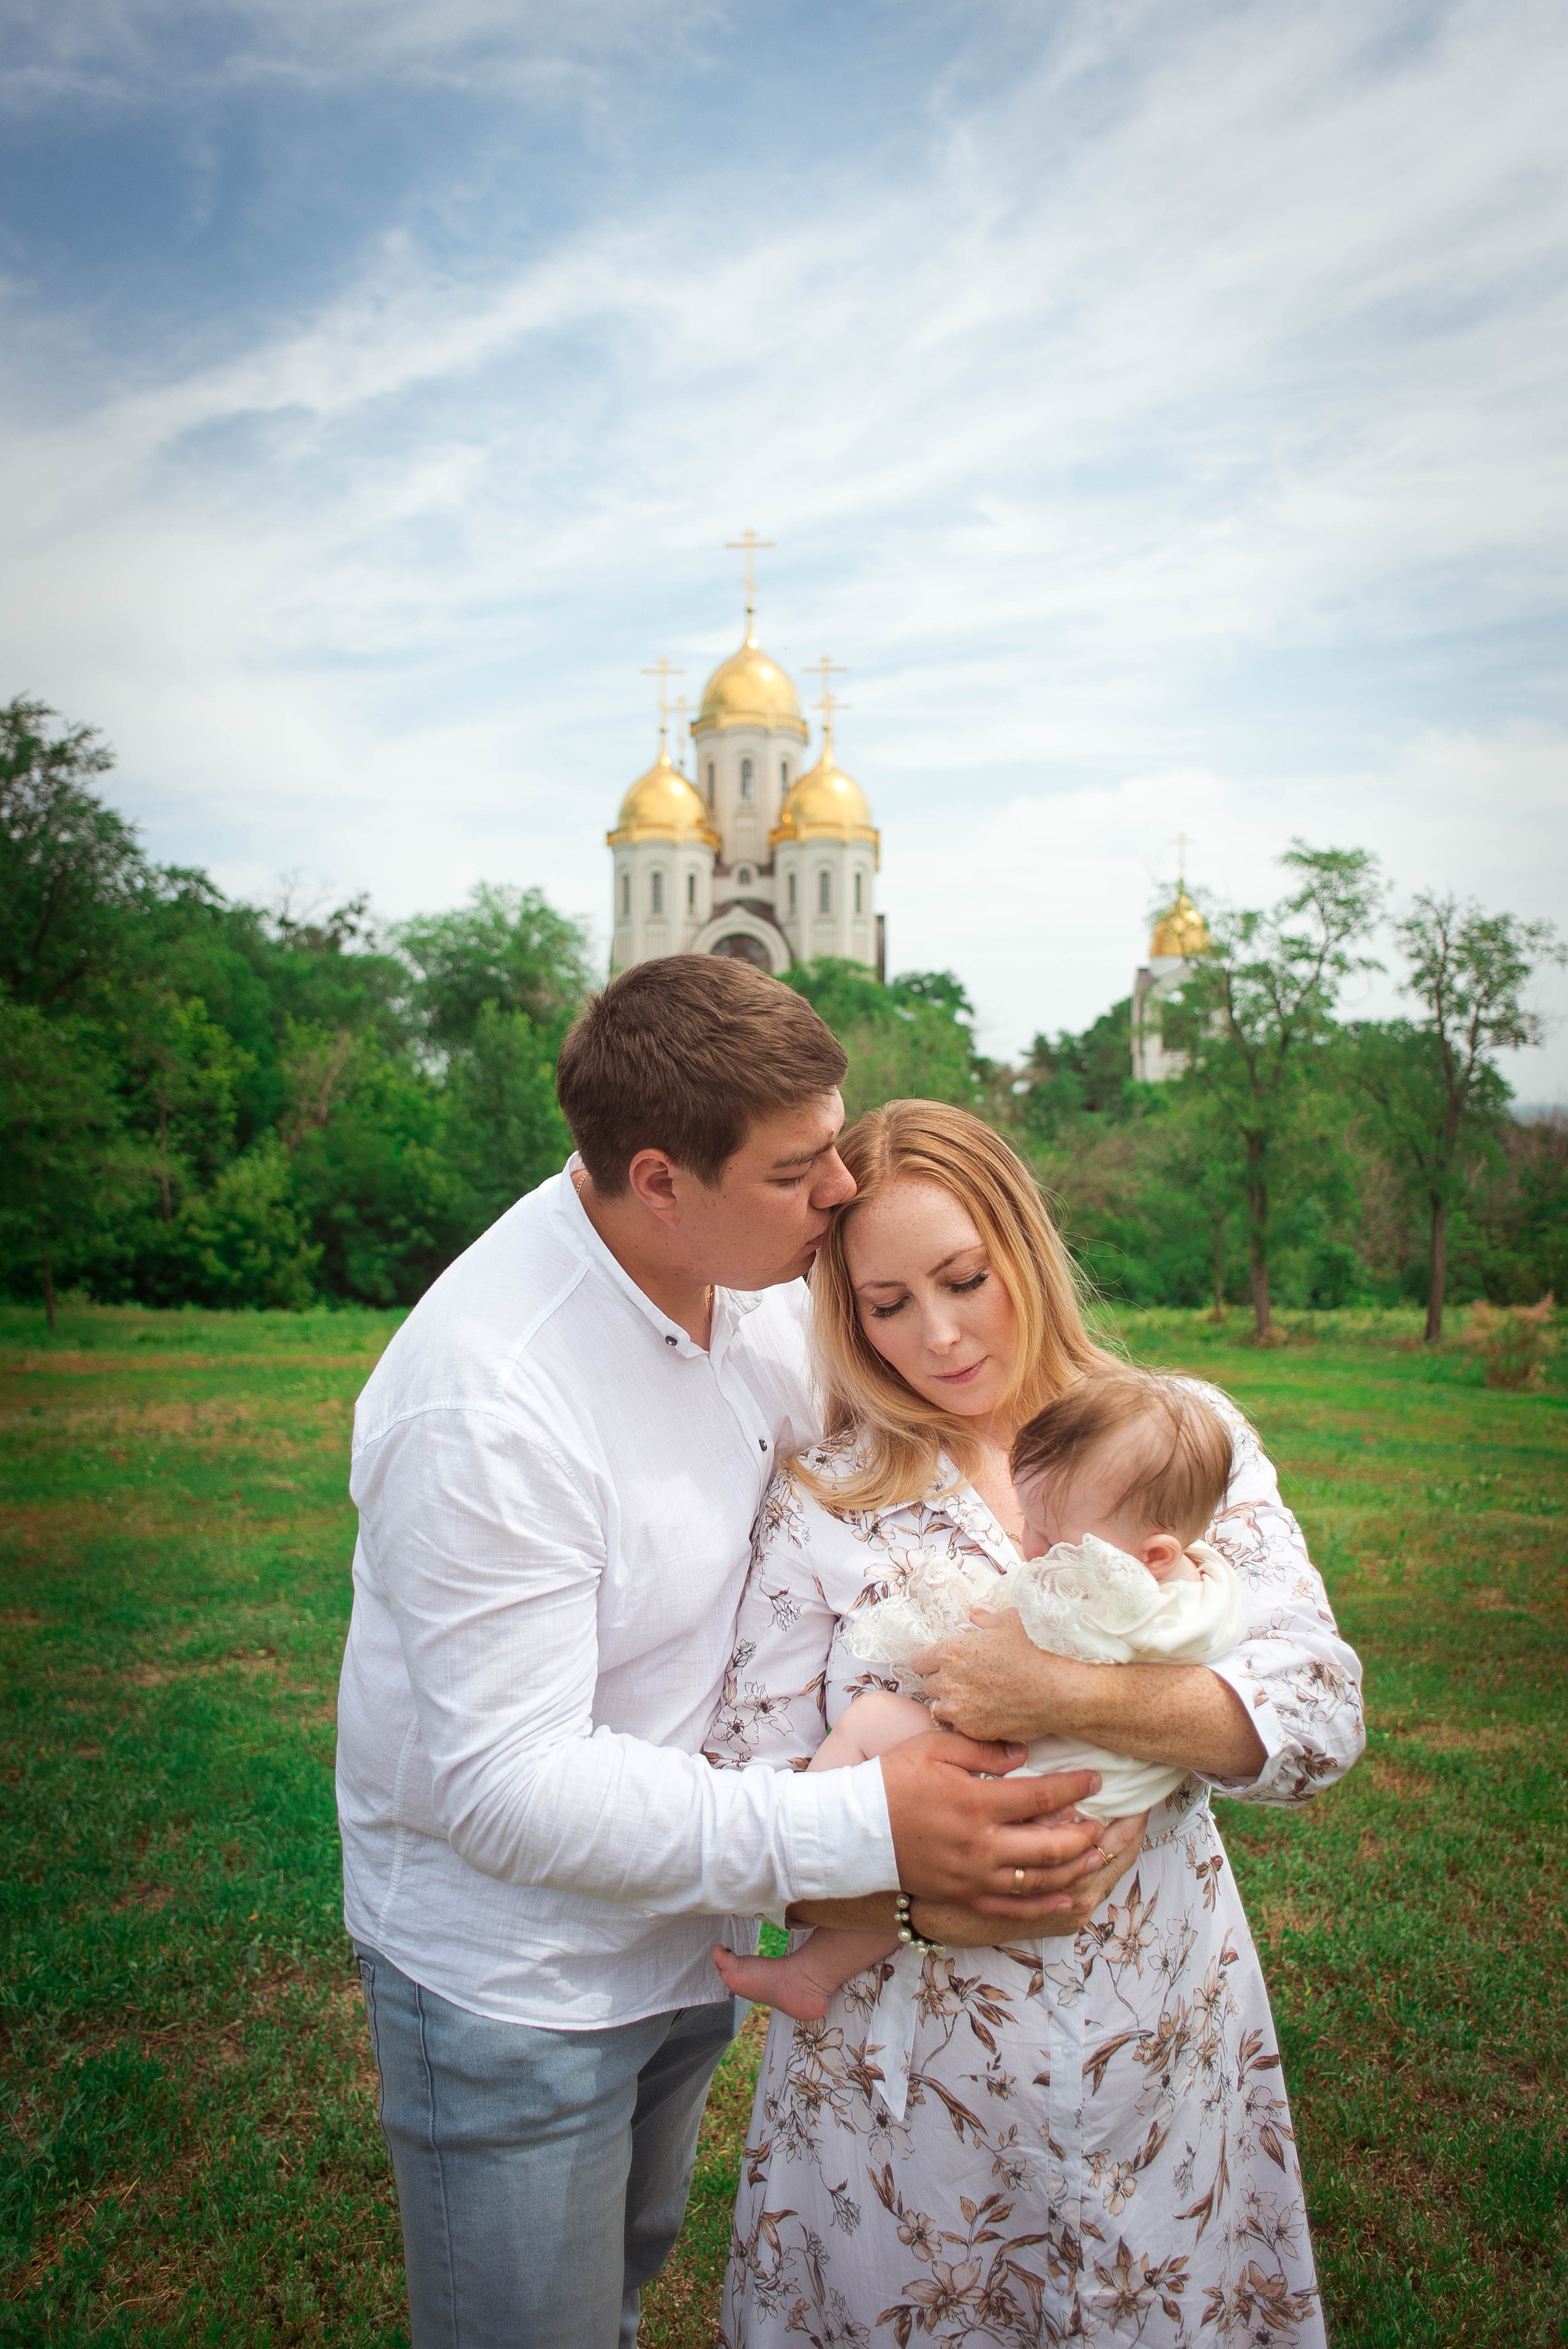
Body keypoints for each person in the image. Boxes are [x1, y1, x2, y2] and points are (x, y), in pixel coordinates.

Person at [335, 960, 1139, 2349]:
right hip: (515, 1981)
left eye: (830, 1140)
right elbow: (505, 1785)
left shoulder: (755, 1276)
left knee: (624, 2286)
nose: (837, 1187)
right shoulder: (486, 1398)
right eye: (795, 1167)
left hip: (688, 1925)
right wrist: (862, 1825)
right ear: (659, 1179)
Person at [706, 1099, 1364, 2349]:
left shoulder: (1178, 1438)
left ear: (1023, 1248)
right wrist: (906, 1898)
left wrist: (1061, 1698)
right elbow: (742, 1798)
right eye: (886, 1303)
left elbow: (1317, 1716)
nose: (937, 1335)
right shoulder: (822, 1503)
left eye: (962, 1279)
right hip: (906, 2093)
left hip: (1162, 2047)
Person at [709, 1368, 1246, 2023]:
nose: (1030, 1549)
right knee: (938, 1890)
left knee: (876, 1722)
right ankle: (812, 1968)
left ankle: (820, 1848)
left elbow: (998, 1643)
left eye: (1048, 1542)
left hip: (1030, 1774)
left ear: (1152, 1554)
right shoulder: (1206, 1594)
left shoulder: (1102, 1598)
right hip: (1094, 1814)